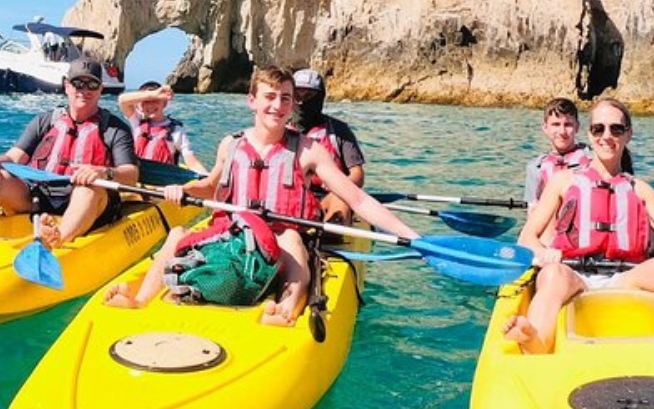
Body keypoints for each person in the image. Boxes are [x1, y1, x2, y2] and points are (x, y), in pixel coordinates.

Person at [104, 66, 419, 326]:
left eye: (286, 99)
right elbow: (211, 186)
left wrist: (411, 237)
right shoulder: (231, 144)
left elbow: (358, 200)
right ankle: (141, 300)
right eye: (270, 97)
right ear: (252, 100)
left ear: (292, 105)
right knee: (176, 234)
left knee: (292, 242)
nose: (277, 106)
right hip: (232, 236)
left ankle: (286, 309)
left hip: (279, 242)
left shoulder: (309, 151)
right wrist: (179, 190)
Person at [502, 98, 654, 354]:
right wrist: (542, 253)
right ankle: (536, 340)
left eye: (616, 129)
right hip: (574, 274)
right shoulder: (562, 181)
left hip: (626, 276)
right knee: (551, 275)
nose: (607, 136)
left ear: (628, 134)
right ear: (590, 134)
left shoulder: (641, 189)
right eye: (598, 129)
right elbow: (527, 237)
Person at [0, 58, 138, 247]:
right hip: (39, 197)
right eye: (78, 83)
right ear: (67, 86)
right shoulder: (46, 121)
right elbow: (13, 157)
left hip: (87, 201)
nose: (84, 90)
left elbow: (130, 173)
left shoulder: (114, 128)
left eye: (92, 85)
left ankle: (58, 239)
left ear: (100, 89)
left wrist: (101, 172)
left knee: (88, 188)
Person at [290, 68, 366, 224]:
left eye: (309, 96)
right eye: (297, 95)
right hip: (293, 198)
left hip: (329, 197)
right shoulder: (281, 129)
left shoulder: (338, 130)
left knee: (342, 196)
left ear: (320, 98)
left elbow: (357, 173)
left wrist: (337, 185)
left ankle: (332, 232)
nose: (302, 101)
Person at [118, 81, 209, 174]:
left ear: (164, 103)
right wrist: (154, 94)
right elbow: (122, 100)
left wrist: (208, 179)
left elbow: (192, 162)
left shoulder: (176, 130)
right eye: (146, 101)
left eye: (155, 100)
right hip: (137, 178)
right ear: (140, 104)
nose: (150, 105)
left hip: (163, 182)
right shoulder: (137, 122)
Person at [523, 97, 592, 210]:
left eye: (568, 124)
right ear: (545, 128)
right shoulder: (535, 168)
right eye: (556, 124)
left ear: (577, 127)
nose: (562, 131)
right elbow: (532, 211)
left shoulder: (592, 161)